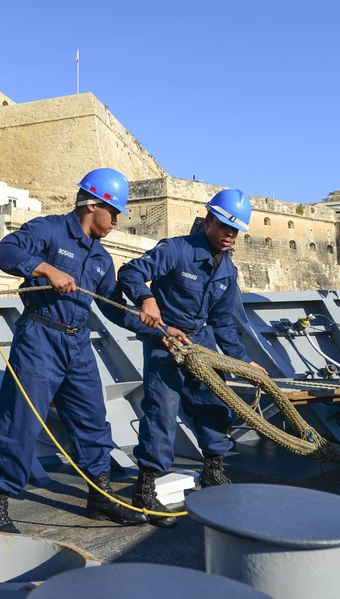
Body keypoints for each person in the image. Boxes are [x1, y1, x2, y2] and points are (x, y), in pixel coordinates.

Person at [0, 168, 149, 533]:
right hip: (40, 338)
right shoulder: (50, 230)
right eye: (114, 212)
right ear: (92, 205)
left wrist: (156, 327)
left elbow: (110, 306)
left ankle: (100, 499)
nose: (117, 221)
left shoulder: (102, 258)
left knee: (93, 420)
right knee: (20, 422)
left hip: (77, 343)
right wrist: (44, 269)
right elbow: (3, 251)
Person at [117, 188, 269, 527]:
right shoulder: (177, 250)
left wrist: (243, 362)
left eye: (236, 230)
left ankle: (213, 471)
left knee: (213, 404)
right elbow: (129, 272)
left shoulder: (227, 270)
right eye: (226, 227)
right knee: (162, 411)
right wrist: (146, 299)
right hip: (164, 339)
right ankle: (145, 489)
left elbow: (223, 323)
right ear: (209, 220)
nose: (231, 235)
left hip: (200, 343)